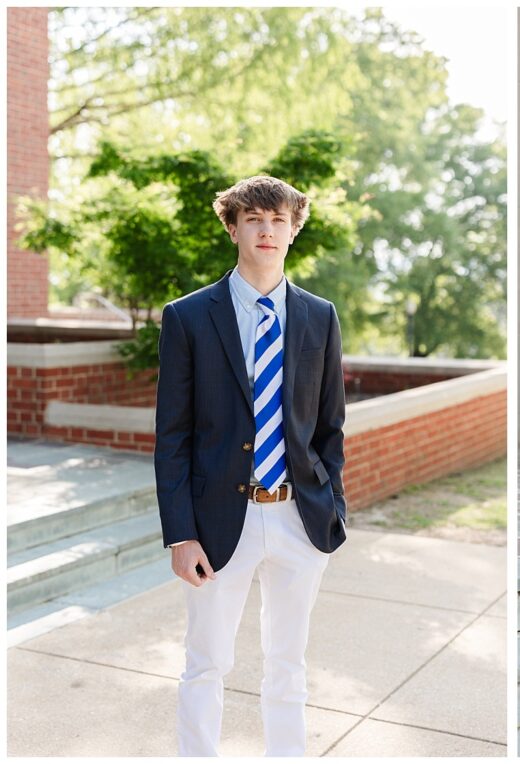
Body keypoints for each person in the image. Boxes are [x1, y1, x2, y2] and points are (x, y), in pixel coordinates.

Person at [154, 175, 348, 755]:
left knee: (288, 664)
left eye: (279, 220)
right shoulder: (189, 317)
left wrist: (333, 507)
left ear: (294, 230)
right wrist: (180, 533)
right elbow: (173, 436)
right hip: (217, 522)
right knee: (206, 662)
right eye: (255, 219)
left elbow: (330, 428)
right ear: (233, 226)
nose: (267, 230)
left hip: (299, 518)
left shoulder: (320, 316)